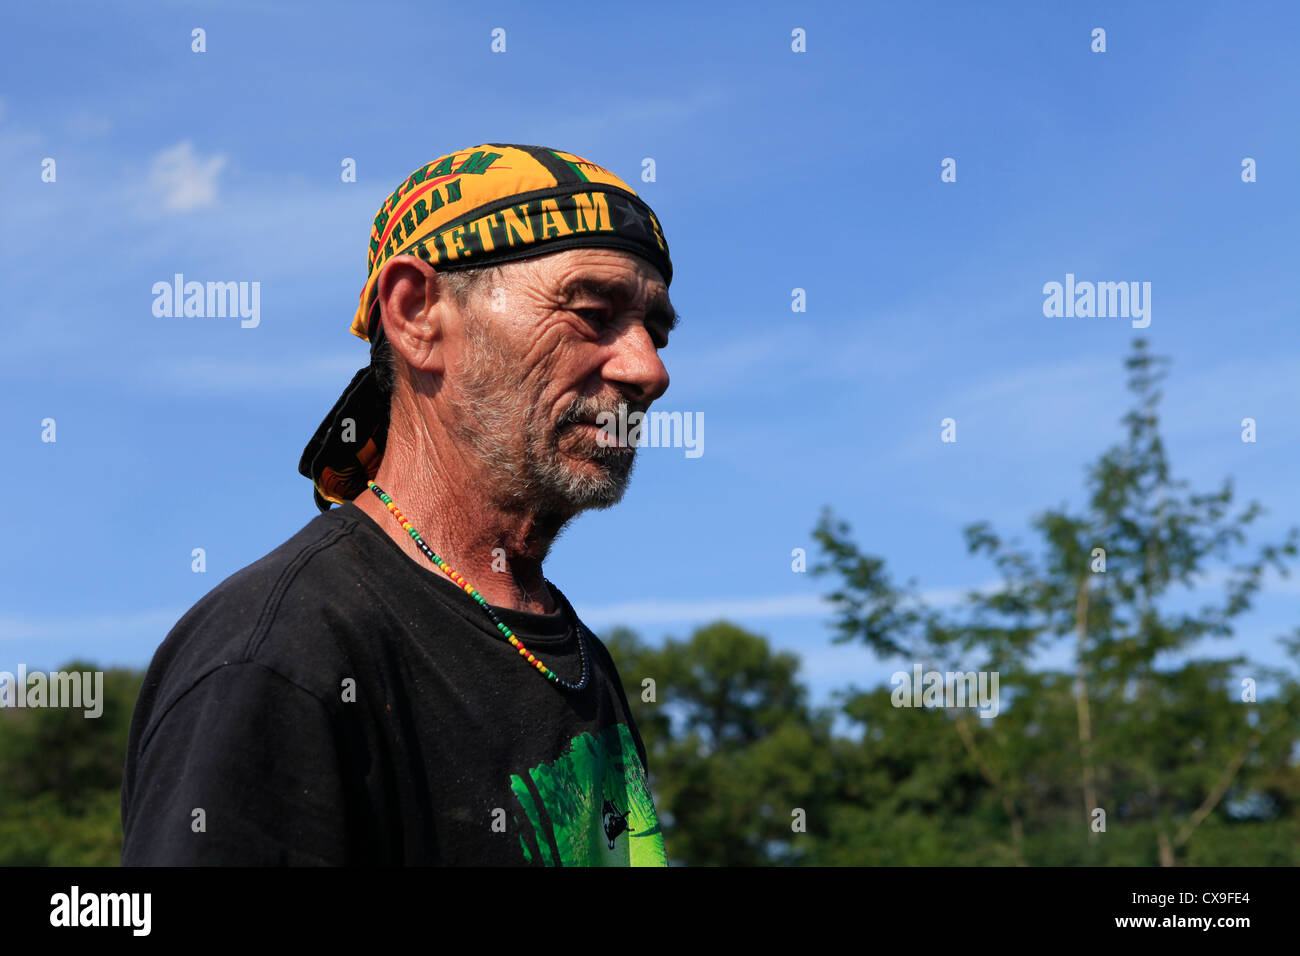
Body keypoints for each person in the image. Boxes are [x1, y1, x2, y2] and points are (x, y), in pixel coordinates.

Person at [121, 144, 677, 866]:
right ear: (417, 314)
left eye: (655, 330)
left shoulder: (575, 655)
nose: (649, 370)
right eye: (592, 312)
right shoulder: (279, 655)